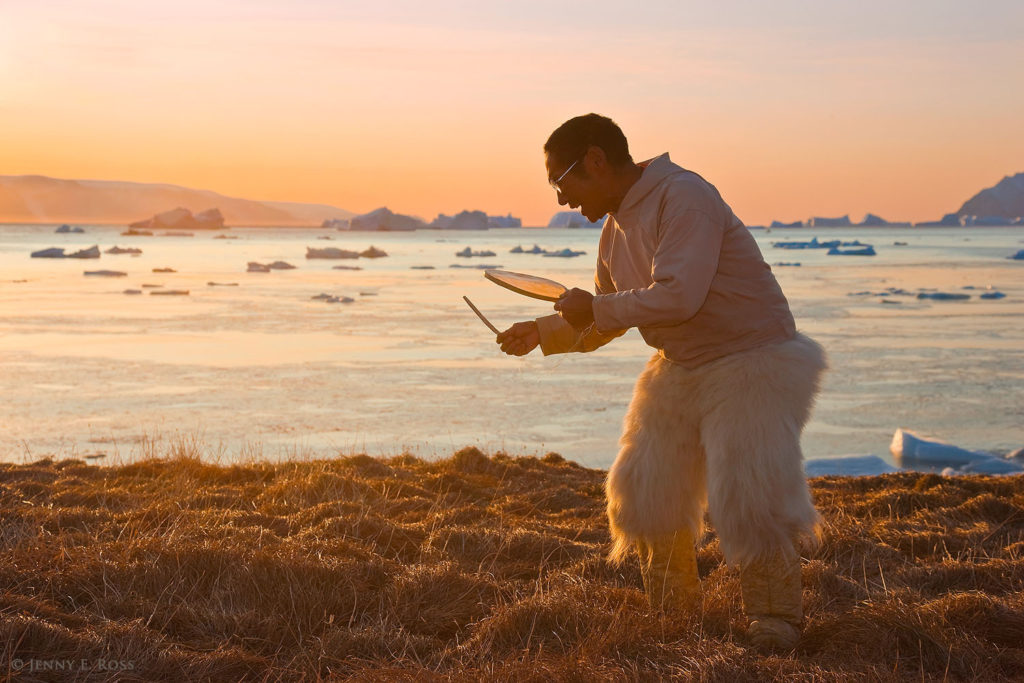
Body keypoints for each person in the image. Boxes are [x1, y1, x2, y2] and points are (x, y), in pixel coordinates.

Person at [496, 113, 826, 650]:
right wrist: (541, 332)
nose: (561, 200)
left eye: (562, 182)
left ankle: (776, 622)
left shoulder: (685, 196)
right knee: (645, 488)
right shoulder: (613, 229)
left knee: (750, 495)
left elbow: (677, 296)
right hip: (682, 363)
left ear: (597, 161)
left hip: (753, 358)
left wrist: (595, 308)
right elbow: (602, 319)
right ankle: (672, 614)